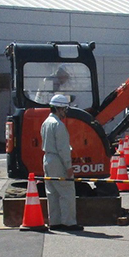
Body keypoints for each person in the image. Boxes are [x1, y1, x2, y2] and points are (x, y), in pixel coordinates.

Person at [41, 94, 83, 232]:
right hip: (58, 161)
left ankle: (55, 222)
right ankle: (69, 222)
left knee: (52, 192)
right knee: (67, 192)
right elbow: (63, 149)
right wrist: (69, 167)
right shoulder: (58, 125)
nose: (65, 112)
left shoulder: (46, 123)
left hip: (47, 159)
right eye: (64, 109)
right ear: (59, 109)